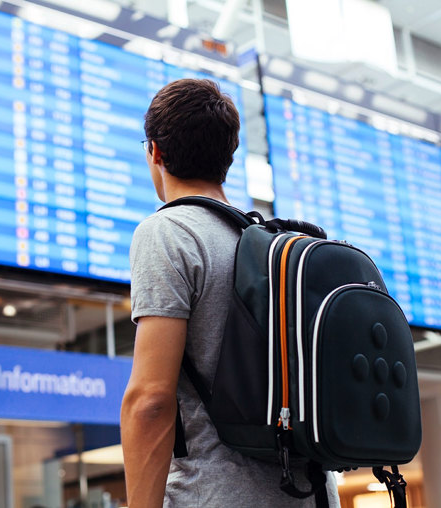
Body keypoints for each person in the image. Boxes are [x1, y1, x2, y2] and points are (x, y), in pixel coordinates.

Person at [120, 79, 340, 507]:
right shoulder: (271, 246)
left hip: (219, 494)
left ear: (155, 153)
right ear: (229, 159)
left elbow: (149, 400)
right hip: (312, 495)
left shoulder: (168, 232)